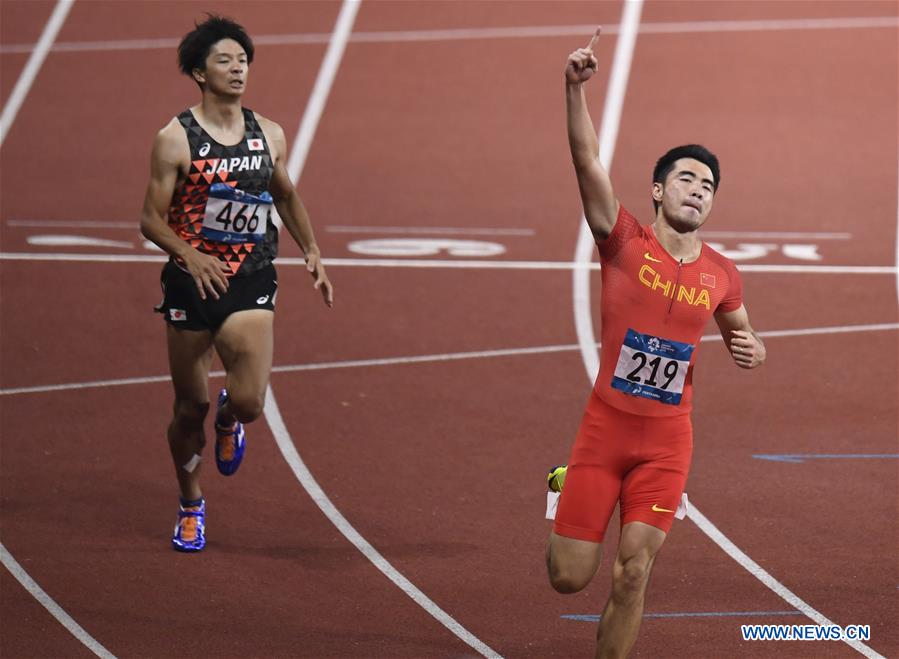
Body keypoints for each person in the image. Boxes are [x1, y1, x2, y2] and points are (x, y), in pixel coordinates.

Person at [546, 28, 766, 657]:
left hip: (668, 442)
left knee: (633, 572)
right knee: (568, 577)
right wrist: (573, 89)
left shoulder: (722, 273)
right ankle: (565, 482)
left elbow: (746, 334)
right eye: (687, 179)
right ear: (658, 190)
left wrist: (754, 350)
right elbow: (587, 162)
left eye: (708, 186)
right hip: (604, 431)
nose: (698, 190)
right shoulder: (623, 242)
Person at [139, 15, 333, 552]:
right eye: (224, 60)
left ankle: (231, 418)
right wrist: (189, 253)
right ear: (200, 73)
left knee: (248, 402)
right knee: (188, 410)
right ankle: (190, 502)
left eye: (243, 59)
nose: (237, 68)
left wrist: (312, 248)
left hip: (249, 278)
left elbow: (285, 194)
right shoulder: (174, 139)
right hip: (190, 285)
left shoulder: (268, 133)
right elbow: (150, 220)